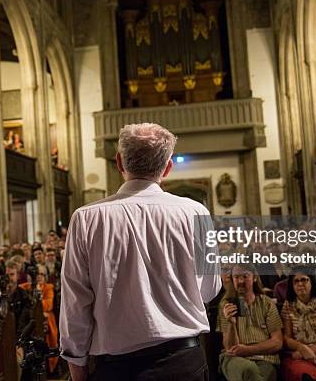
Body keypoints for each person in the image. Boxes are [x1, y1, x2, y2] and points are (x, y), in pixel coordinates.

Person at [60, 123, 221, 381]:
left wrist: (76, 368)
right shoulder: (196, 213)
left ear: (119, 162)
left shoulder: (86, 219)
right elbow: (209, 290)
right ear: (168, 168)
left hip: (118, 368)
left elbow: (75, 305)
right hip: (183, 361)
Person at [217, 264, 283, 381]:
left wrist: (248, 350)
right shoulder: (226, 304)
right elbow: (230, 348)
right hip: (234, 359)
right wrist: (231, 323)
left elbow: (277, 342)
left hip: (265, 358)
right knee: (249, 369)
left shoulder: (266, 303)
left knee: (257, 374)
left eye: (245, 276)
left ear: (255, 278)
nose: (241, 281)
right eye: (236, 277)